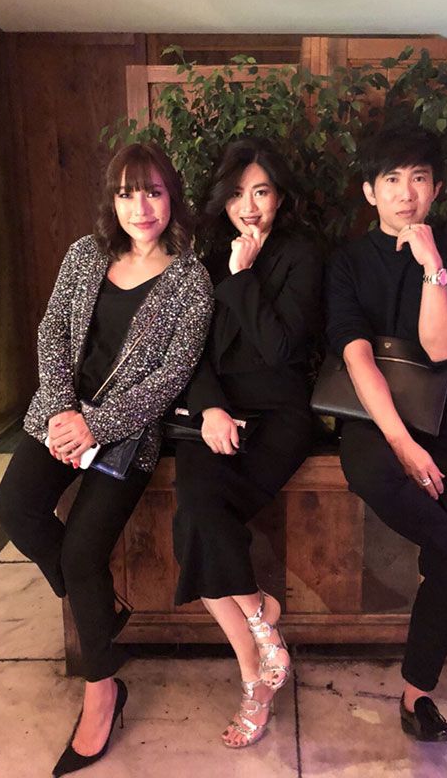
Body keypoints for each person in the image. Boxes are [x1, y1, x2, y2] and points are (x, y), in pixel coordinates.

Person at [0, 143, 213, 776]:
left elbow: (171, 378)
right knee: (13, 509)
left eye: (152, 192)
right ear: (111, 201)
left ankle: (102, 691)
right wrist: (65, 411)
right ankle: (101, 610)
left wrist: (97, 423)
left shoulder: (191, 279)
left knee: (82, 553)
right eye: (125, 194)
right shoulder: (84, 255)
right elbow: (52, 334)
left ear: (172, 197)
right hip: (59, 415)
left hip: (128, 436)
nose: (140, 207)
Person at [326, 125, 447, 742]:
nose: (405, 193)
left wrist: (432, 266)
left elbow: (441, 348)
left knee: (443, 559)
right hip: (373, 413)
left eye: (418, 178)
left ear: (436, 189)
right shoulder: (348, 262)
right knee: (372, 472)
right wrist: (402, 442)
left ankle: (417, 697)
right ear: (370, 191)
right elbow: (357, 357)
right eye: (391, 179)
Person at [172, 137, 323, 748]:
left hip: (280, 414)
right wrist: (209, 407)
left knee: (202, 528)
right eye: (237, 194)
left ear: (280, 196)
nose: (250, 207)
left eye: (261, 192)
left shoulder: (303, 254)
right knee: (196, 514)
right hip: (214, 413)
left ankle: (258, 671)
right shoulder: (204, 257)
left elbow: (280, 348)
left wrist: (242, 276)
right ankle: (260, 639)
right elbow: (191, 353)